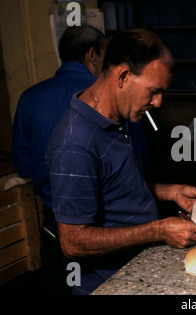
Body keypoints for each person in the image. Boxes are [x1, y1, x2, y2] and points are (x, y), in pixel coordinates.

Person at [45, 29, 196, 295]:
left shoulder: (121, 116)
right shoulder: (75, 143)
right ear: (123, 76)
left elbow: (114, 185)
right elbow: (73, 241)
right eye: (153, 91)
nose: (158, 102)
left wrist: (170, 192)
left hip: (142, 266)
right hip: (109, 284)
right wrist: (159, 230)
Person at [11, 24, 107, 295]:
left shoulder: (29, 98)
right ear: (92, 56)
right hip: (104, 226)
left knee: (61, 290)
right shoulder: (108, 96)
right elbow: (137, 163)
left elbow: (23, 165)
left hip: (54, 224)